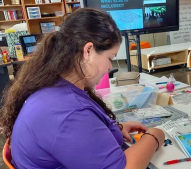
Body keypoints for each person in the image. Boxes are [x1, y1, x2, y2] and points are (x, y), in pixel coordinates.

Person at [0, 8, 165, 169]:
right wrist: (154, 136)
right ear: (88, 50)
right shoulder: (67, 112)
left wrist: (114, 129)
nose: (109, 66)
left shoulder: (53, 86)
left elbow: (77, 134)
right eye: (110, 58)